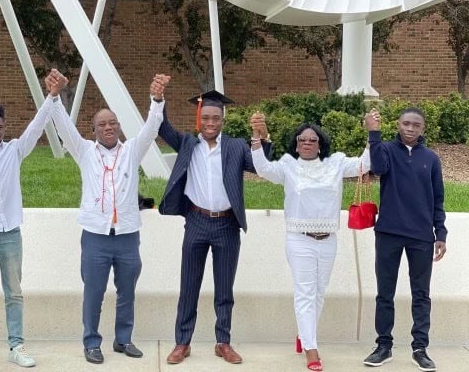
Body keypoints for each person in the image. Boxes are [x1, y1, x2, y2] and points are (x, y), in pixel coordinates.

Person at [45, 69, 168, 364]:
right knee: (94, 293)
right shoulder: (84, 151)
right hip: (96, 237)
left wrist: (157, 99)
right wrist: (54, 97)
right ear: (94, 130)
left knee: (127, 291)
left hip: (127, 236)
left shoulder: (132, 151)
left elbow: (152, 128)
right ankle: (91, 343)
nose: (109, 127)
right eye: (102, 124)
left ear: (119, 126)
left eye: (113, 122)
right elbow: (63, 127)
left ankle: (123, 340)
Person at [0, 72, 67, 372]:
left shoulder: (15, 151)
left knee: (14, 292)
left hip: (9, 236)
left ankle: (16, 347)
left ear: (5, 128)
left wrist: (52, 96)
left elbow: (37, 126)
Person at [250, 111, 372, 371]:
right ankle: (311, 350)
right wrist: (257, 139)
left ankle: (304, 336)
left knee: (318, 293)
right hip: (299, 239)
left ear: (320, 144)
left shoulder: (336, 163)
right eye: (302, 140)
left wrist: (373, 132)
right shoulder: (287, 166)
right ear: (296, 144)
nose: (307, 143)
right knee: (305, 292)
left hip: (328, 239)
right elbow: (262, 169)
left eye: (312, 140)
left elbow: (364, 164)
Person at [158, 89, 272, 365]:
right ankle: (182, 342)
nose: (210, 123)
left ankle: (223, 342)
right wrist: (158, 98)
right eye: (206, 117)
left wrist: (263, 139)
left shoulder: (234, 147)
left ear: (223, 120)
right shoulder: (186, 143)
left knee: (224, 288)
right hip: (196, 221)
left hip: (226, 224)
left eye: (216, 118)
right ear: (199, 118)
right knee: (189, 287)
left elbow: (260, 167)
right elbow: (162, 126)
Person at [363, 107, 447, 372]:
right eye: (406, 124)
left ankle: (420, 348)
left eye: (416, 125)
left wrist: (440, 233)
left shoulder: (431, 159)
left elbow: (438, 199)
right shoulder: (386, 150)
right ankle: (383, 346)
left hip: (421, 237)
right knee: (384, 294)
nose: (410, 129)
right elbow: (377, 167)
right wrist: (373, 133)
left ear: (423, 129)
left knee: (421, 295)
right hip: (388, 232)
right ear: (398, 125)